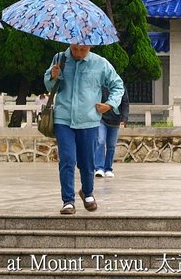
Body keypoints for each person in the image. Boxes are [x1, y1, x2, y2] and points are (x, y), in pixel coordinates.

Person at [45, 43, 123, 215]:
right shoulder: (59, 58)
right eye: (75, 49)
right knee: (67, 159)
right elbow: (49, 87)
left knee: (87, 162)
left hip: (89, 120)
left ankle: (87, 193)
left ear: (91, 46)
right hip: (63, 119)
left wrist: (109, 104)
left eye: (83, 49)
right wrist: (52, 76)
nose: (79, 53)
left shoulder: (100, 63)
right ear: (70, 45)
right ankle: (68, 201)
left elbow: (118, 85)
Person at [94, 84, 129, 178]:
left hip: (115, 121)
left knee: (111, 146)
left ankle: (108, 168)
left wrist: (124, 118)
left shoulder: (121, 86)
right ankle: (99, 168)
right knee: (100, 141)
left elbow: (125, 103)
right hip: (102, 119)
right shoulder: (101, 85)